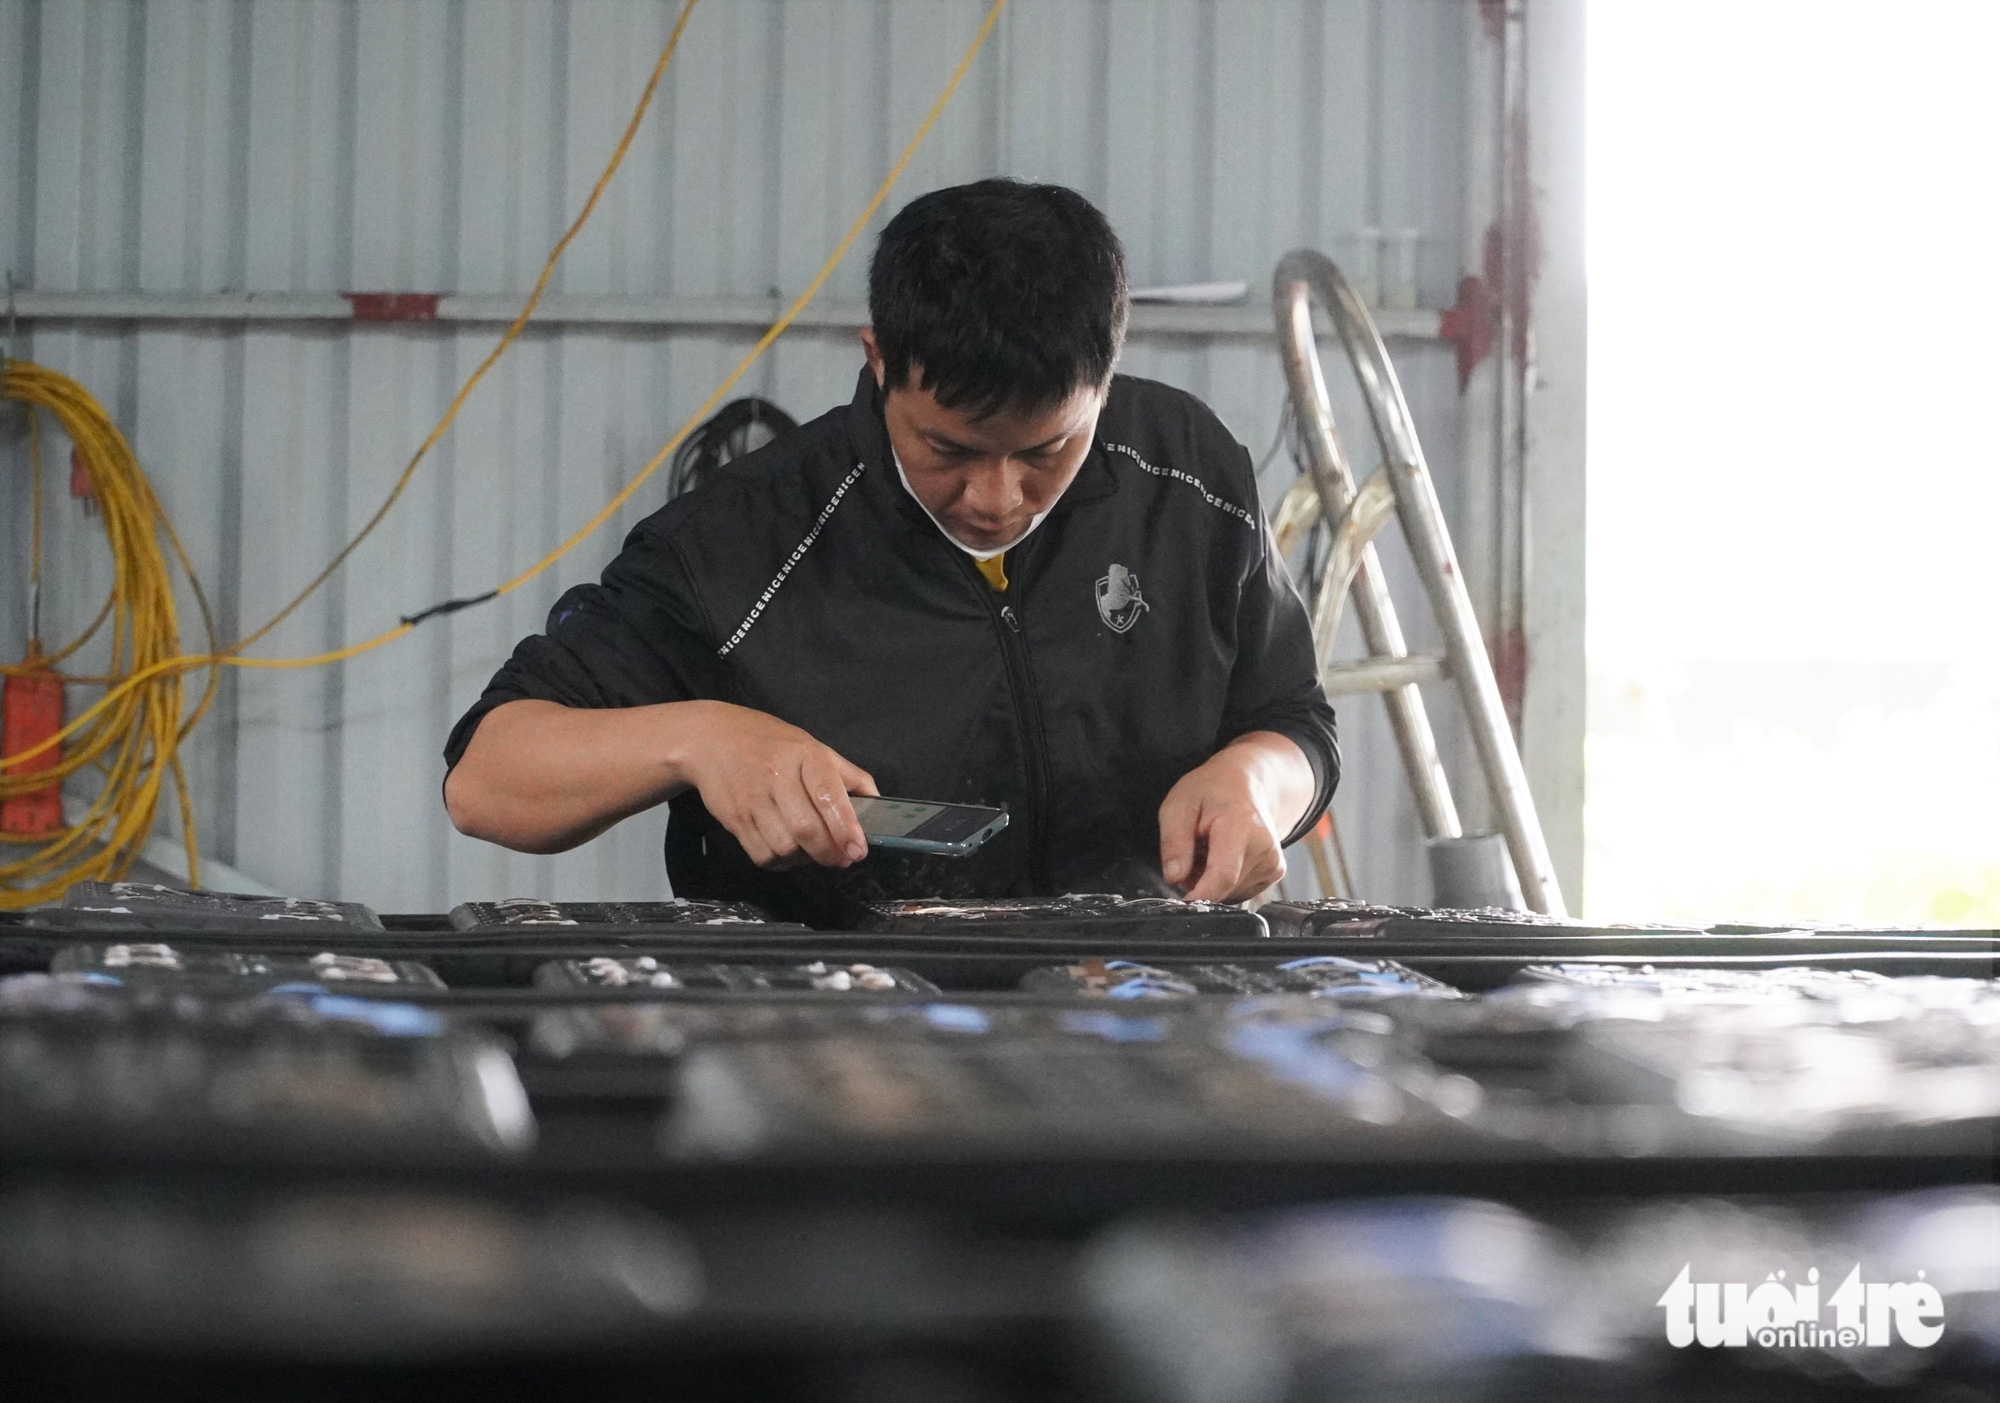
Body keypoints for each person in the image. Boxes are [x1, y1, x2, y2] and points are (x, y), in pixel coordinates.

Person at [444, 179, 1338, 925]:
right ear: (879, 359)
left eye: (1044, 452)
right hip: (836, 1048)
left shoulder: (1190, 475)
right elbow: (487, 776)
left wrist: (1258, 781)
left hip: (1133, 1014)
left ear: (1104, 383)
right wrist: (696, 738)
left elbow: (1293, 715)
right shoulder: (742, 540)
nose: (997, 498)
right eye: (947, 449)